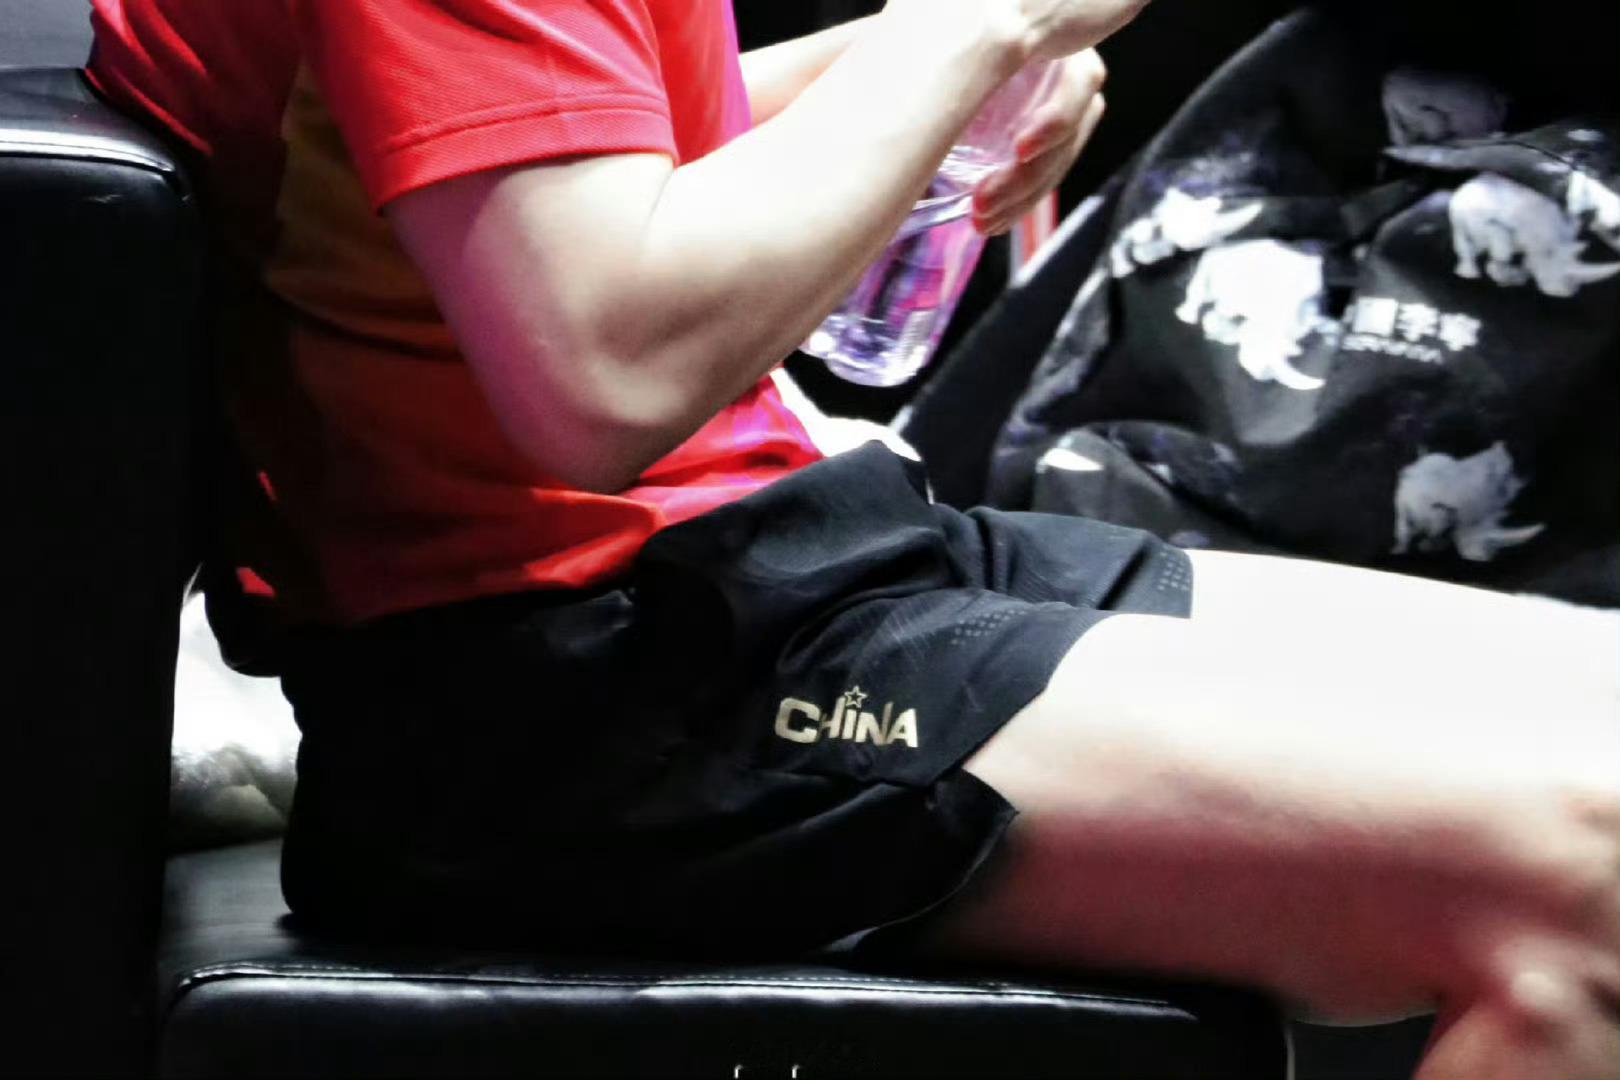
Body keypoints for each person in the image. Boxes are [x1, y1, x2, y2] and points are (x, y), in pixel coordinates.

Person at [86, 1, 1619, 1077]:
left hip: (760, 562)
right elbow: (598, 376)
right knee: (1593, 879)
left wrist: (897, 78)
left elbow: (544, 156)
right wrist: (965, 31)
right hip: (567, 688)